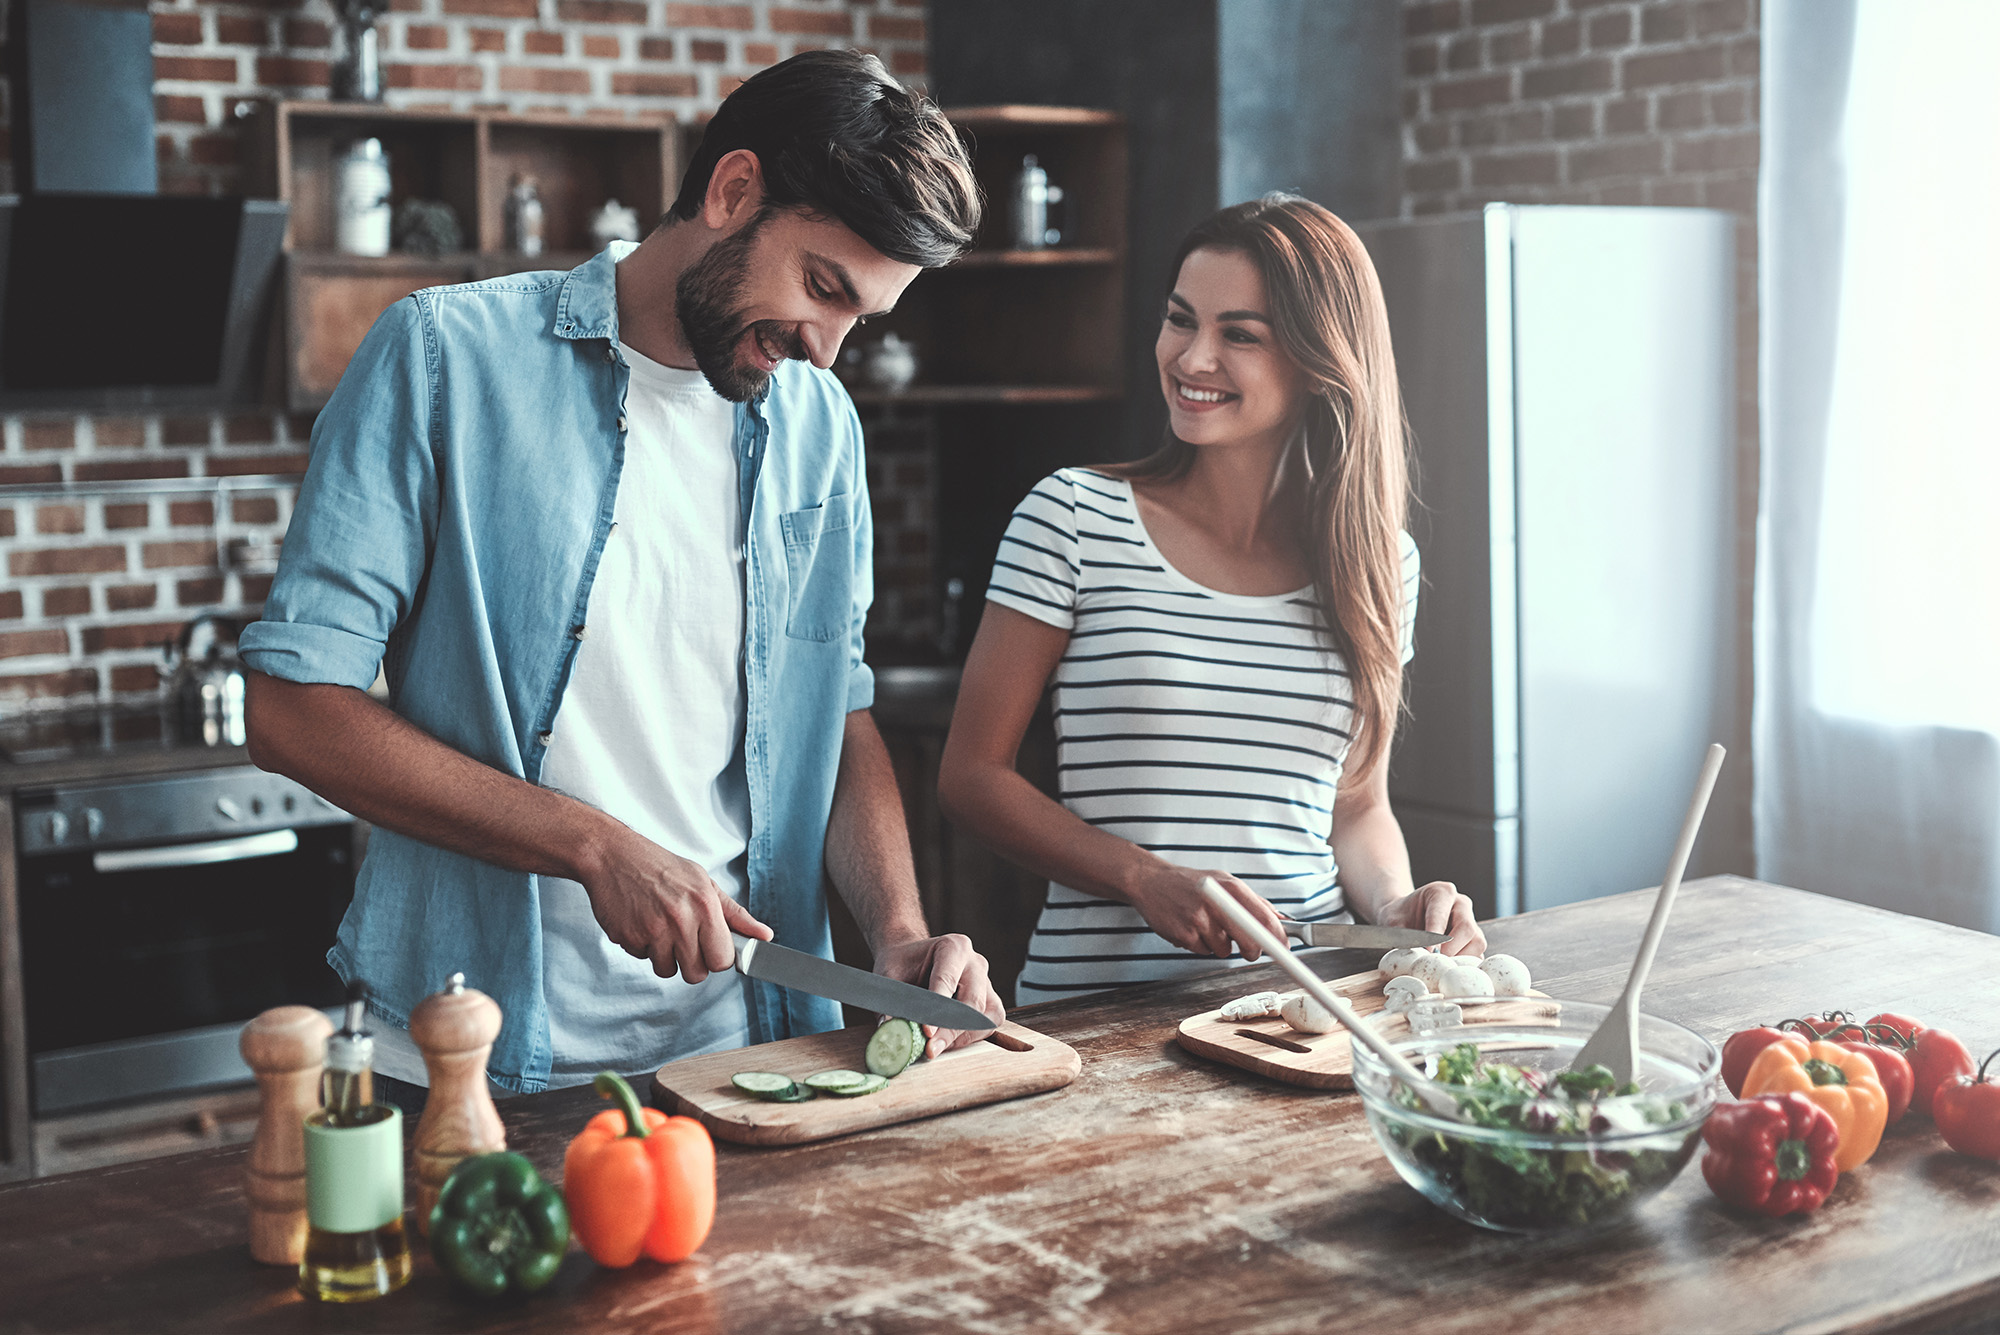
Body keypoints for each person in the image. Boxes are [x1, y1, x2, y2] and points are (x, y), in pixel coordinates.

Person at [241, 50, 1004, 1099]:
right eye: (822, 287)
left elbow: (837, 711)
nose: (827, 352)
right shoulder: (443, 360)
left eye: (860, 320)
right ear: (733, 192)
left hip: (749, 1056)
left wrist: (899, 933)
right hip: (475, 1058)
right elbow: (291, 709)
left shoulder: (817, 425)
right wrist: (595, 847)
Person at [938, 195, 1486, 1002]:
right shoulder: (1073, 517)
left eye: (1239, 334)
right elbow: (971, 776)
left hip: (1305, 1006)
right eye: (1180, 320)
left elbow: (1356, 806)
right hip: (1099, 1011)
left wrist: (1395, 904)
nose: (1192, 359)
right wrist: (1142, 876)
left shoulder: (1379, 563)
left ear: (1317, 359)